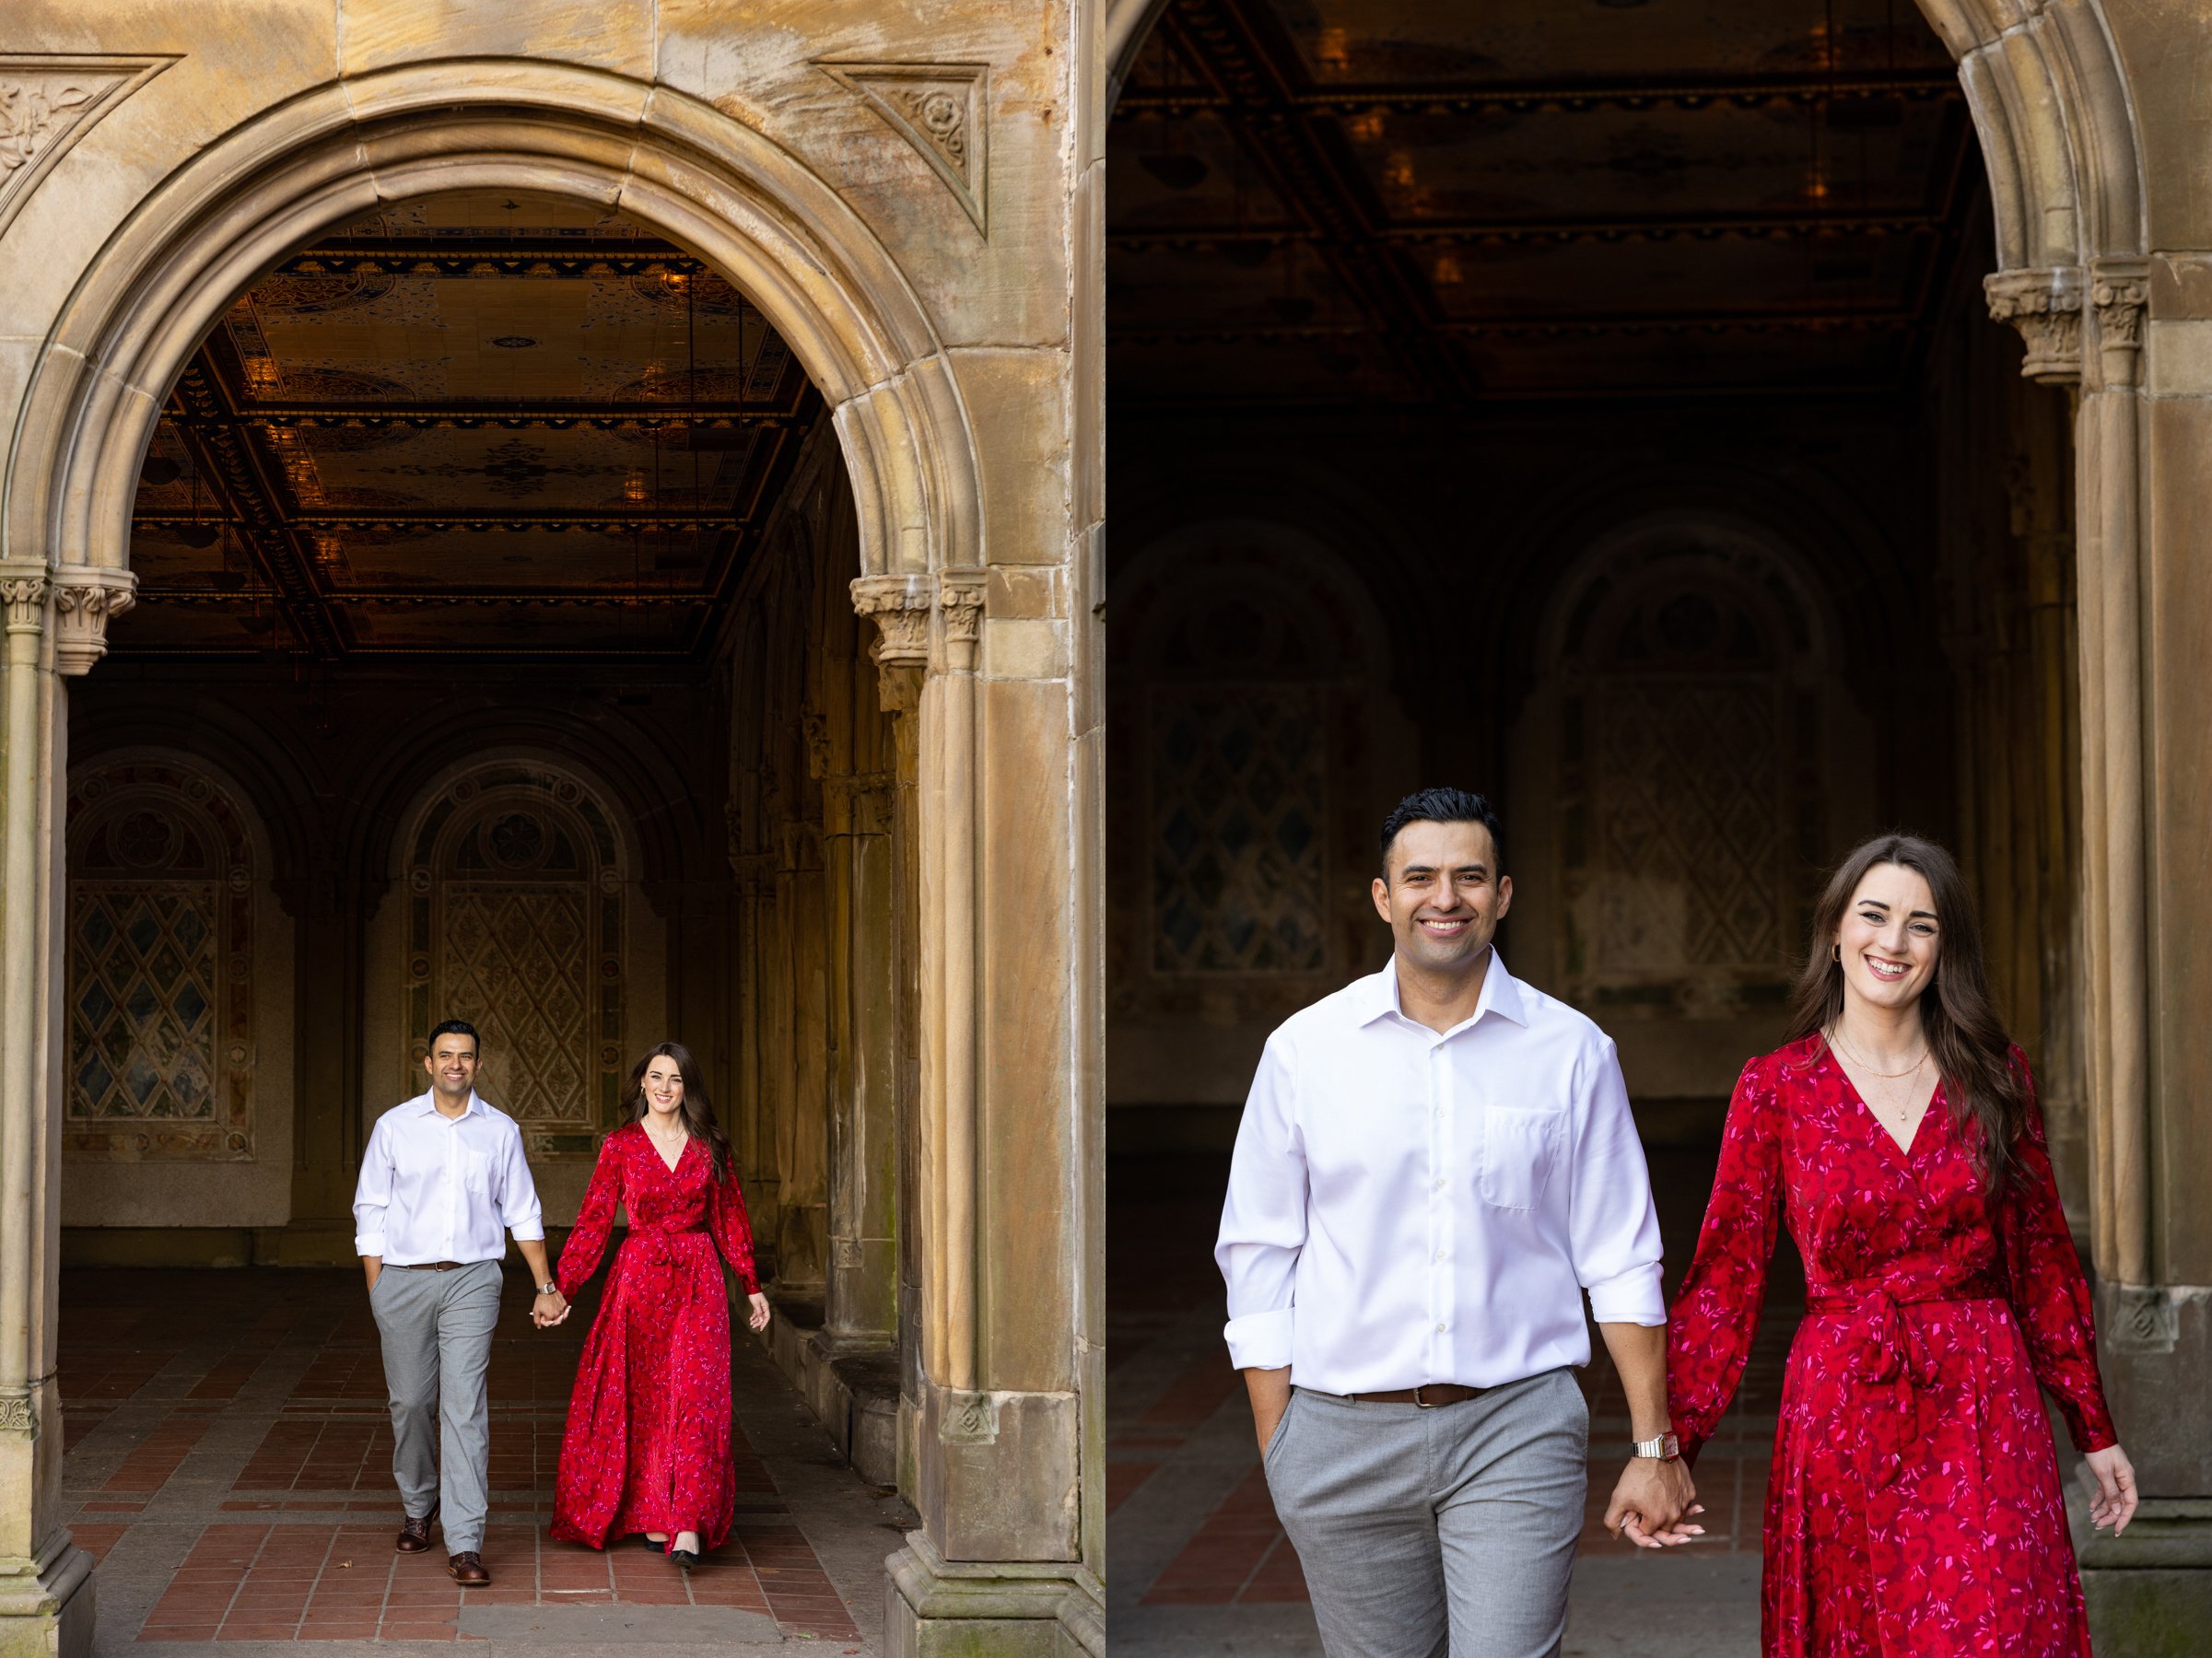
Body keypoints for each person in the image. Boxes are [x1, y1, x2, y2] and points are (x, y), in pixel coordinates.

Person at [1216, 787, 1699, 1658]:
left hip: (1515, 1426)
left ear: (1502, 895)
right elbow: (1257, 1250)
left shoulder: (1571, 1051)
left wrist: (1654, 1444)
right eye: (1420, 877)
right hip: (1339, 1432)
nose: (1445, 897)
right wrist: (1280, 1438)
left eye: (1469, 876)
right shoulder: (1304, 1051)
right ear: (1382, 896)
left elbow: (1621, 1257)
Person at [1668, 833, 2137, 1657]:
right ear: (1836, 930)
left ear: (1944, 946)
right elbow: (1723, 1280)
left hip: (1983, 1399)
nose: (1892, 942)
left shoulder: (1995, 1075)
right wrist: (1668, 1447)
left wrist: (2092, 1428)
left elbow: (2042, 1262)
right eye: (1873, 916)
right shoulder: (1776, 1087)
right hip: (1842, 1405)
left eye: (1920, 925)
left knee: (1998, 1625)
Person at [354, 1018, 568, 1587]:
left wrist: (546, 1286)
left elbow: (522, 1210)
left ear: (478, 1063)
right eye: (445, 1055)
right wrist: (378, 1284)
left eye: (465, 1056)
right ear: (427, 1063)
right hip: (402, 1280)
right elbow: (370, 1207)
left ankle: (466, 1539)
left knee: (464, 1406)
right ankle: (419, 1507)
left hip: (474, 1279)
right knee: (411, 1403)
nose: (455, 1064)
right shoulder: (395, 1126)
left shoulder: (499, 1131)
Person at [549, 1041, 770, 1567]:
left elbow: (730, 1217)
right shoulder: (620, 1145)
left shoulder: (709, 1145)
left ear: (687, 1087)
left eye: (676, 1079)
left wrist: (751, 1282)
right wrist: (564, 1286)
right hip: (639, 1279)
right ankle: (654, 1513)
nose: (665, 1088)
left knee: (695, 1398)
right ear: (642, 1084)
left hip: (698, 1279)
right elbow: (595, 1221)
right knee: (645, 1399)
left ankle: (687, 1522)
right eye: (656, 1077)